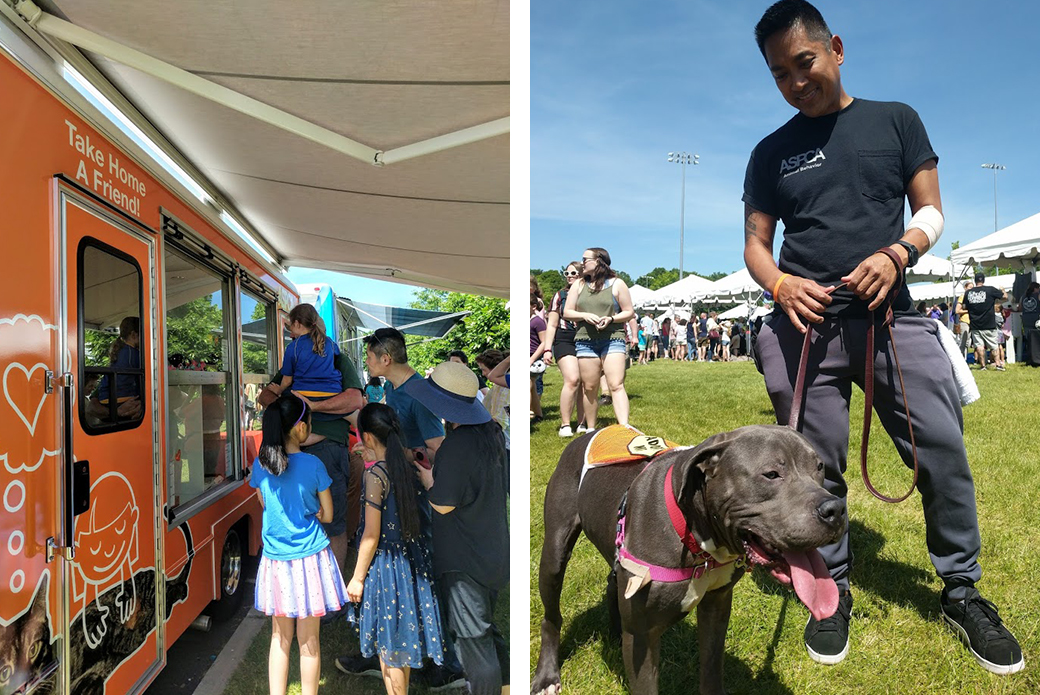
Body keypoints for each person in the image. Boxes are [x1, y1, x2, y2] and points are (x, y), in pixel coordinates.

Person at [742, 0, 1022, 674]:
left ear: (835, 48)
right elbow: (755, 245)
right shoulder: (770, 152)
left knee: (942, 450)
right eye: (779, 74)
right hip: (805, 326)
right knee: (814, 465)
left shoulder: (895, 120)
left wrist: (898, 252)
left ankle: (961, 590)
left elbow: (931, 209)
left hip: (893, 319)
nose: (794, 81)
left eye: (803, 63)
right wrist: (780, 286)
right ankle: (829, 587)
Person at [340, 328, 463, 689]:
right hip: (397, 493)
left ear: (385, 359)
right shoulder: (394, 390)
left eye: (369, 356)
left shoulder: (418, 396)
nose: (366, 362)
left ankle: (443, 663)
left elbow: (438, 448)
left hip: (415, 501)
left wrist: (399, 459)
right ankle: (387, 646)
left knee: (421, 575)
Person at [403, 362, 509, 695]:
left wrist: (427, 477)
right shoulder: (491, 434)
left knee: (473, 642)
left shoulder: (456, 446)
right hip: (491, 550)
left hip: (464, 560)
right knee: (486, 631)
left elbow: (442, 503)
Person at [251, 394, 348, 695]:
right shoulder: (313, 464)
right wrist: (314, 510)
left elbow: (264, 503)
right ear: (299, 428)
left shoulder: (260, 465)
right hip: (311, 559)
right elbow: (329, 514)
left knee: (279, 638)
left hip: (276, 560)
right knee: (309, 642)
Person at [347, 404, 445, 694]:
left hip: (385, 567)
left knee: (389, 646)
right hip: (412, 560)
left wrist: (357, 577)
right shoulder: (408, 464)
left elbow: (371, 535)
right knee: (400, 642)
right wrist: (371, 458)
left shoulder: (374, 476)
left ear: (366, 437)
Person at [259, 325, 365, 578]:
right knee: (292, 516)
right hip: (290, 449)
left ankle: (331, 589)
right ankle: (303, 583)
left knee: (333, 522)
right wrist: (294, 410)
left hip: (327, 448)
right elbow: (266, 396)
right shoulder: (294, 356)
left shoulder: (338, 358)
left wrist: (312, 407)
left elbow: (354, 400)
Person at [563, 247, 636, 429]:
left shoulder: (617, 284)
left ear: (599, 261)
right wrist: (584, 315)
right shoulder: (579, 285)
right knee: (589, 387)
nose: (582, 263)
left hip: (613, 338)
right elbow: (567, 312)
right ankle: (590, 428)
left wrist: (611, 318)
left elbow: (629, 312)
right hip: (585, 340)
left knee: (616, 384)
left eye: (585, 259)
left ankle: (624, 427)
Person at [270, 304, 344, 420]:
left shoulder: (293, 347)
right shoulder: (329, 342)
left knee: (282, 401)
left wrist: (279, 390)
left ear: (297, 323)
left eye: (291, 325)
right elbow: (337, 356)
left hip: (303, 394)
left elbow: (287, 380)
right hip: (332, 393)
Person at [544, 262, 585, 437]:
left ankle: (583, 423)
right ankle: (565, 424)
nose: (569, 275)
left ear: (582, 274)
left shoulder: (590, 293)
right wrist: (547, 349)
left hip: (586, 338)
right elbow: (552, 324)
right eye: (566, 272)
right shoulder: (560, 295)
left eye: (573, 272)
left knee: (586, 383)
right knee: (572, 379)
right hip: (564, 338)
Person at [95, 316, 143, 415]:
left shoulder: (120, 350)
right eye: (143, 335)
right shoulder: (133, 353)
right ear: (133, 335)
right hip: (122, 398)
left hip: (105, 398)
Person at [961, 272, 1008, 371]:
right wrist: (1003, 290)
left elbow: (964, 306)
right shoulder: (990, 290)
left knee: (979, 346)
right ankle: (998, 365)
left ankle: (983, 366)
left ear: (975, 280)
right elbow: (1004, 297)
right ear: (983, 280)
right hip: (989, 323)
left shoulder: (968, 293)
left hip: (975, 323)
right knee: (994, 345)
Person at [529, 296, 548, 423]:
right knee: (532, 387)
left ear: (533, 306)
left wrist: (531, 359)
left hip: (533, 358)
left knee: (527, 385)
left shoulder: (537, 322)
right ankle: (539, 414)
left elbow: (544, 342)